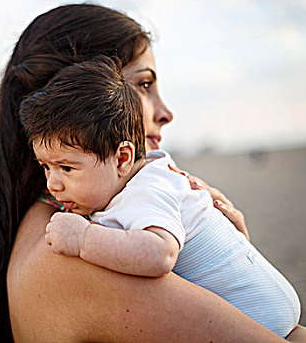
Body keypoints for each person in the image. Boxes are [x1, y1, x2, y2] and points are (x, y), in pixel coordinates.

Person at [0, 3, 306, 342]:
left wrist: (225, 254)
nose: (166, 112)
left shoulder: (58, 225)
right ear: (78, 99)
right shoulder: (73, 253)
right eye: (144, 85)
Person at [19, 56, 301, 338]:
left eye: (67, 168)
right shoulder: (136, 179)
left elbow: (159, 254)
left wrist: (83, 239)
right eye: (46, 167)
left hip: (261, 313)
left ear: (122, 159)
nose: (53, 183)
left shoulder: (147, 190)